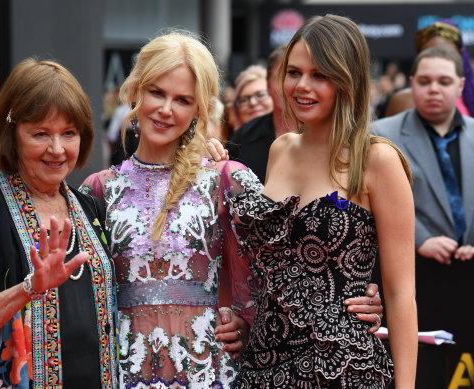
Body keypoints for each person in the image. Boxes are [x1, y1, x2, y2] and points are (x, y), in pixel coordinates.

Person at [81, 30, 385, 389]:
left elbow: (287, 265)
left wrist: (356, 294)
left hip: (212, 373)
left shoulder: (227, 179)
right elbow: (84, 301)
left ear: (199, 108)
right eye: (156, 93)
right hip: (121, 372)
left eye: (182, 99)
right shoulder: (97, 191)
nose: (165, 110)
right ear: (135, 91)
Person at [229, 15, 417, 388]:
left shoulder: (377, 160)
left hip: (344, 370)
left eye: (320, 75)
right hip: (263, 365)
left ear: (348, 82)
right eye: (294, 72)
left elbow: (400, 293)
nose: (302, 86)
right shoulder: (279, 150)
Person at [0, 58, 118, 388]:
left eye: (68, 133)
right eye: (40, 133)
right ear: (11, 134)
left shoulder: (91, 207)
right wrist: (28, 289)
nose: (56, 150)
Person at [372, 46, 474, 357]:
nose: (434, 89)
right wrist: (421, 239)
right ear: (412, 83)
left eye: (444, 82)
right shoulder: (381, 134)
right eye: (425, 81)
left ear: (459, 85)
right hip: (416, 280)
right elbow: (372, 198)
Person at [228, 45, 296, 183]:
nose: (287, 85)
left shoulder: (326, 134)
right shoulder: (242, 137)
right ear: (268, 84)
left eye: (294, 76)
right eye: (281, 78)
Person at [386, 20, 474, 117]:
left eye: (448, 55)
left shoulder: (470, 97)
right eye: (431, 54)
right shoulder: (402, 101)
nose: (439, 61)